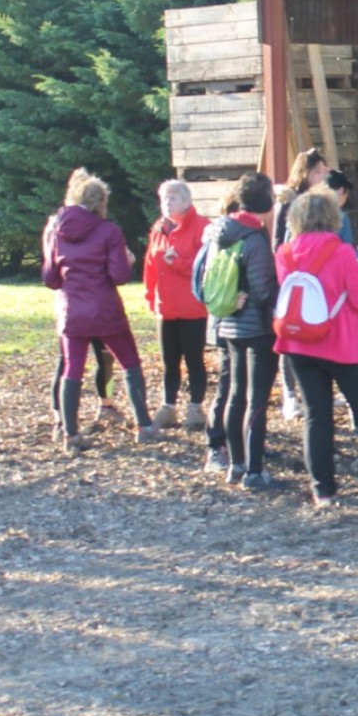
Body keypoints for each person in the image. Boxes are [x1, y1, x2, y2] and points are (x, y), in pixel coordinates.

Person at [274, 189, 358, 508]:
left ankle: (324, 489)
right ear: (333, 217)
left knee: (316, 416)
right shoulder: (342, 252)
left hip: (299, 342)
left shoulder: (284, 253)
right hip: (341, 344)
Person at [41, 168, 160, 451]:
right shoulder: (109, 231)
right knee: (129, 362)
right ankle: (143, 424)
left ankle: (70, 432)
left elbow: (50, 278)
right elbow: (118, 275)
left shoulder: (58, 230)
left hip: (73, 310)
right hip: (105, 309)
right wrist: (127, 259)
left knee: (72, 369)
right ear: (101, 202)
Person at [199, 172, 281, 490]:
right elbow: (262, 293)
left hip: (227, 322)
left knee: (235, 395)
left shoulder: (219, 232)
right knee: (257, 400)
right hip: (256, 328)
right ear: (266, 202)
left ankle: (235, 464)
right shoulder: (254, 237)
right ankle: (255, 471)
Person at [142, 179, 210, 431]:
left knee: (194, 359)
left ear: (186, 201)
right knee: (169, 361)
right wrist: (150, 295)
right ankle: (168, 406)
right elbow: (150, 264)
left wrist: (178, 262)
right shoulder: (159, 229)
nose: (167, 203)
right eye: (164, 199)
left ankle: (195, 407)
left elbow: (205, 266)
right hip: (166, 307)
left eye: (172, 198)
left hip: (192, 307)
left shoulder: (202, 227)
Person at [275, 148, 329, 420]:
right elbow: (278, 240)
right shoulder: (289, 199)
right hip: (295, 274)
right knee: (290, 333)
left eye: (324, 171)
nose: (322, 176)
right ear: (305, 172)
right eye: (317, 171)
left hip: (318, 275)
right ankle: (289, 394)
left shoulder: (323, 201)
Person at [197, 189, 241, 473]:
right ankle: (216, 445)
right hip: (229, 319)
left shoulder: (211, 238)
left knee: (230, 386)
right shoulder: (230, 240)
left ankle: (227, 443)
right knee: (228, 387)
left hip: (218, 318)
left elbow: (198, 283)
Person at [323, 168, 358, 250]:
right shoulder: (341, 217)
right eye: (347, 193)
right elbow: (347, 248)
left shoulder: (307, 213)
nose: (347, 196)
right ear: (341, 190)